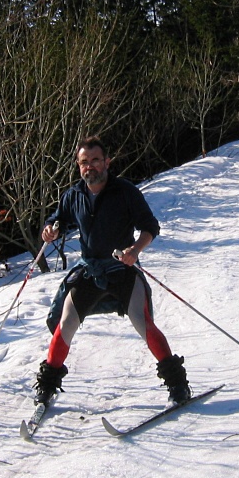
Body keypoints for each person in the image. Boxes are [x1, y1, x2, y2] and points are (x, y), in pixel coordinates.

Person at [34, 136, 191, 406]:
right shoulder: (74, 195)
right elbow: (56, 219)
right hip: (89, 270)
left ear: (107, 162)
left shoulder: (125, 191)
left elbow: (151, 227)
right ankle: (46, 387)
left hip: (122, 267)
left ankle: (178, 385)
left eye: (95, 160)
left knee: (144, 324)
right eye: (84, 162)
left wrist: (135, 251)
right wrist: (51, 229)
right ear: (78, 165)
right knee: (66, 323)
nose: (90, 167)